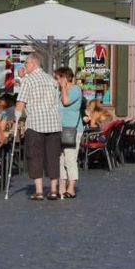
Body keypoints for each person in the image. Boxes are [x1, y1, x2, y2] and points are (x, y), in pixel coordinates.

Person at [15, 51, 62, 200]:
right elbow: (57, 100)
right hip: (54, 123)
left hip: (36, 123)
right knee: (53, 156)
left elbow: (20, 102)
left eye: (26, 63)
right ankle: (54, 190)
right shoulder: (51, 80)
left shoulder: (28, 81)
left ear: (34, 64)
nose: (24, 66)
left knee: (35, 155)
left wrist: (16, 118)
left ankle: (39, 191)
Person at [54, 66, 85, 199]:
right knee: (60, 159)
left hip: (72, 130)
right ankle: (62, 184)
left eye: (58, 78)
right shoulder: (61, 91)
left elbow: (66, 102)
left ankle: (71, 187)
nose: (57, 81)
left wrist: (64, 87)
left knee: (70, 159)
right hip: (60, 128)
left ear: (64, 78)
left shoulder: (76, 90)